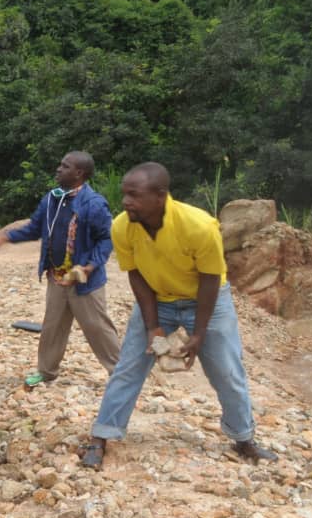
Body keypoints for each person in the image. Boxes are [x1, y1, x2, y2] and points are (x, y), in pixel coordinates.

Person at [80, 161, 277, 469]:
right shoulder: (121, 226)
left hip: (207, 300)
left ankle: (244, 439)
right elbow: (136, 275)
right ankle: (101, 436)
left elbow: (211, 279)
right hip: (158, 298)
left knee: (227, 370)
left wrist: (198, 334)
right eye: (124, 194)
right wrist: (153, 326)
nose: (126, 201)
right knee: (128, 367)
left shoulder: (198, 226)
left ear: (160, 195)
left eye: (134, 195)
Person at [0, 151, 120, 387]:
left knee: (97, 327)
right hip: (56, 277)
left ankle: (120, 374)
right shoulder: (51, 199)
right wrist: (4, 237)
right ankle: (47, 372)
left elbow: (106, 240)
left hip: (84, 281)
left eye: (64, 166)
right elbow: (34, 228)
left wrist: (89, 267)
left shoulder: (94, 203)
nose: (58, 169)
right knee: (53, 326)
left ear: (79, 173)